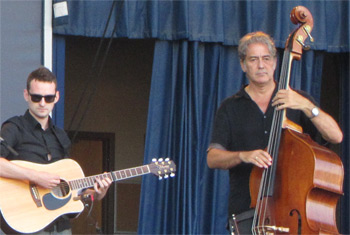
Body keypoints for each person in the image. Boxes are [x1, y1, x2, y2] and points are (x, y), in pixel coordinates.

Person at [207, 31, 343, 234]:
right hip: (248, 214)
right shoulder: (230, 108)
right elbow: (213, 158)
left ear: (275, 63)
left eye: (266, 58)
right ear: (243, 65)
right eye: (253, 59)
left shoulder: (297, 100)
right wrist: (244, 155)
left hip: (295, 217)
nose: (261, 65)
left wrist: (307, 106)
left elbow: (336, 136)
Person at [0, 67, 112, 234]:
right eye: (37, 97)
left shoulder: (61, 137)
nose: (43, 103)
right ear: (26, 95)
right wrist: (36, 177)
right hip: (26, 222)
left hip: (58, 226)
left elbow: (72, 192)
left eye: (48, 97)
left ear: (56, 97)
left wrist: (97, 193)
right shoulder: (14, 128)